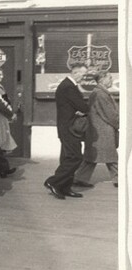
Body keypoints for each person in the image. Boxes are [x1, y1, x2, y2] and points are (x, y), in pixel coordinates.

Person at [44, 63, 90, 200]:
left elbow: (74, 106)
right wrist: (81, 111)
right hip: (70, 129)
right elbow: (83, 106)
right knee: (75, 157)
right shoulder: (68, 87)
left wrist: (78, 111)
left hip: (66, 127)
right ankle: (53, 182)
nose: (84, 77)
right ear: (75, 73)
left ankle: (64, 187)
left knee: (67, 157)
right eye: (83, 74)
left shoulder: (67, 85)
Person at [74, 71, 119, 188]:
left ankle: (80, 178)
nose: (111, 80)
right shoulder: (101, 94)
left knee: (91, 157)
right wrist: (118, 124)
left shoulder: (98, 92)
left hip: (98, 130)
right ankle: (119, 179)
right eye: (110, 78)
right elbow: (109, 114)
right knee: (111, 157)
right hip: (103, 131)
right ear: (102, 79)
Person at [0, 69, 18, 153]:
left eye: (2, 75)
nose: (2, 77)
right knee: (1, 134)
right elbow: (3, 101)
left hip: (2, 114)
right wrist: (10, 112)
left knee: (2, 134)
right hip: (0, 114)